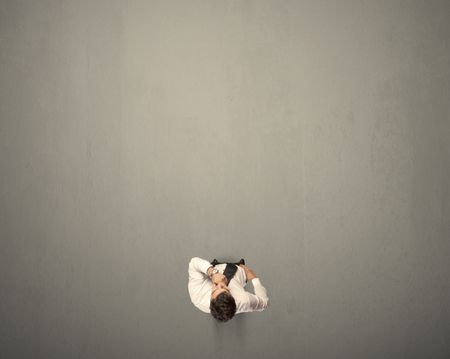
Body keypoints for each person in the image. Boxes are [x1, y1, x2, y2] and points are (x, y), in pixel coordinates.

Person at [188, 257, 269, 322]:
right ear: (232, 296)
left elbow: (194, 263)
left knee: (205, 266)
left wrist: (212, 273)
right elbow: (264, 303)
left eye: (214, 290)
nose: (219, 284)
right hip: (240, 270)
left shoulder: (197, 296)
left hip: (215, 267)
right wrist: (254, 278)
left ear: (211, 300)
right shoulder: (244, 300)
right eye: (224, 288)